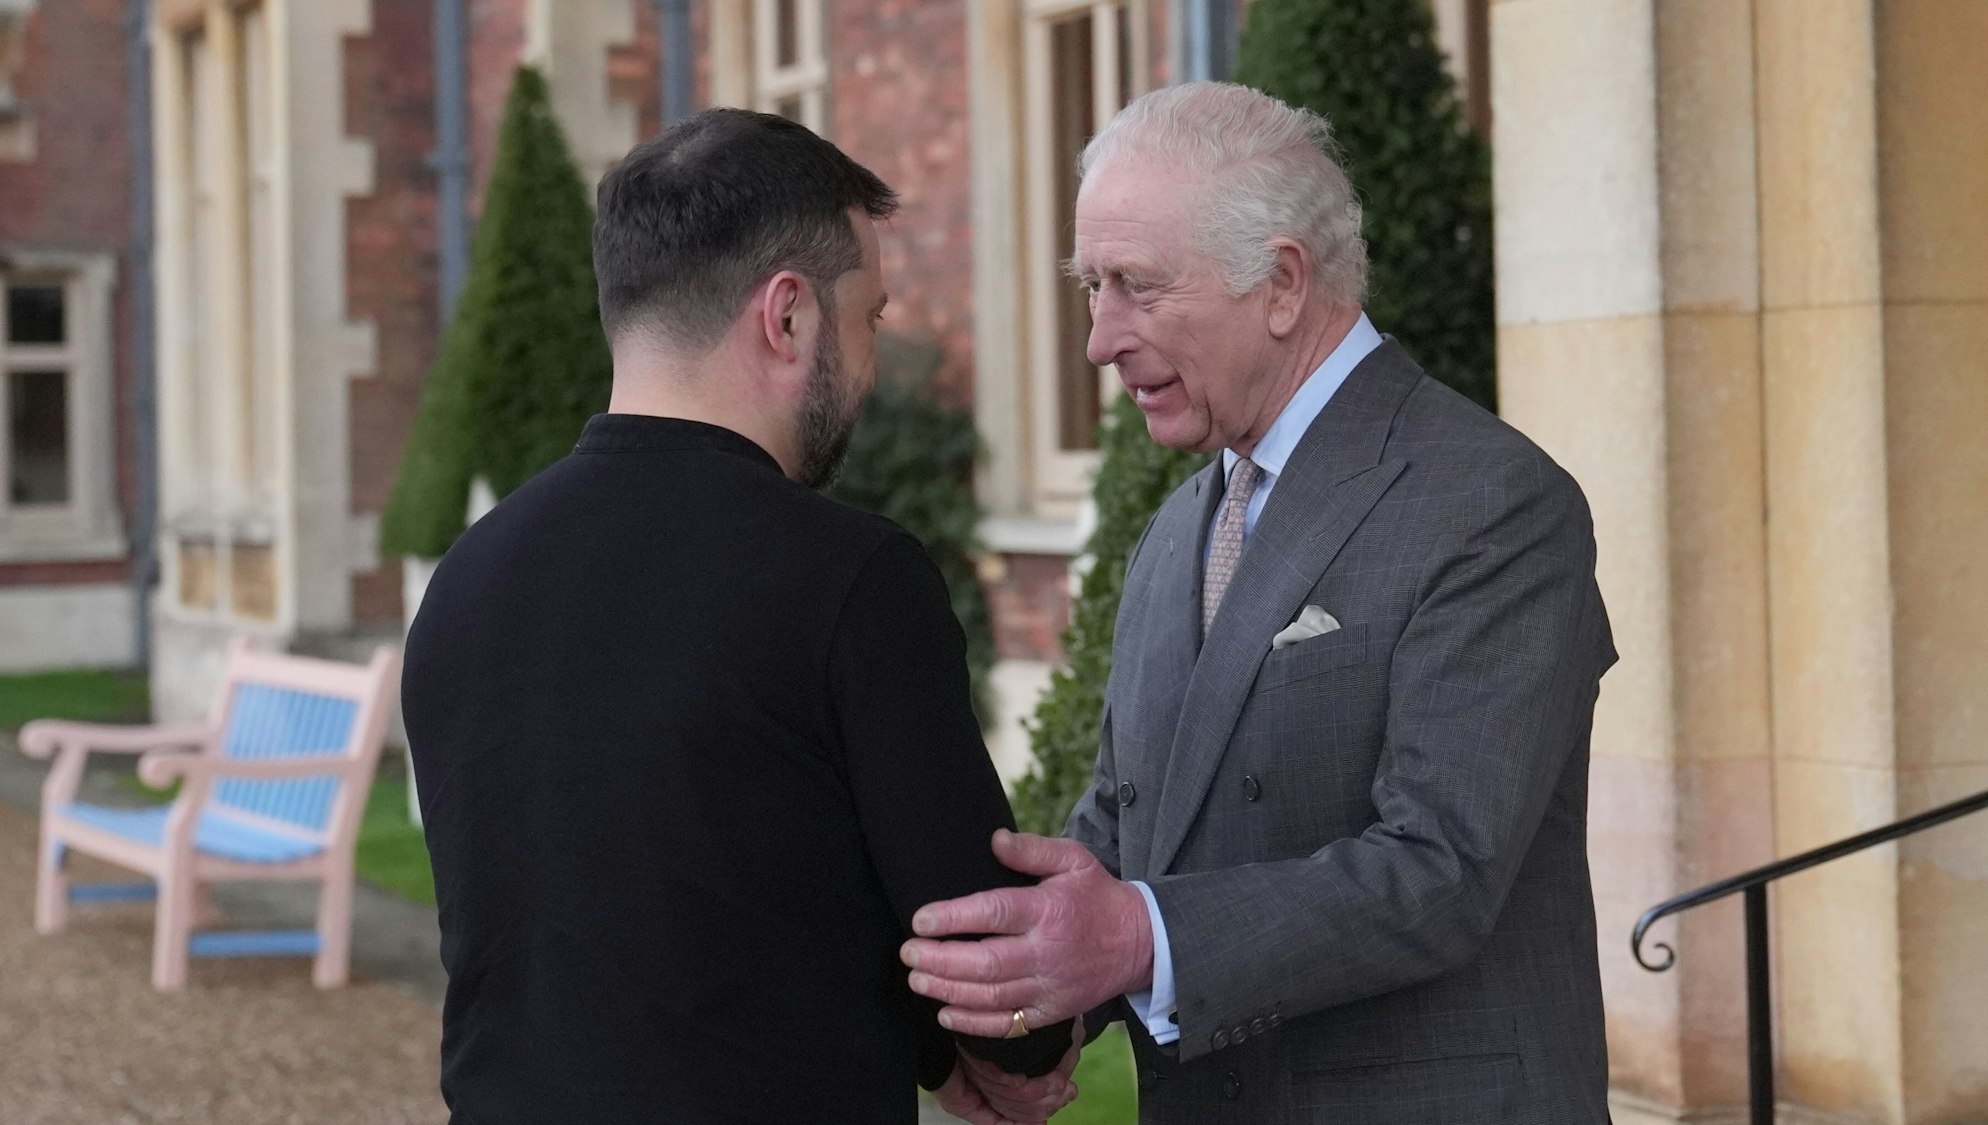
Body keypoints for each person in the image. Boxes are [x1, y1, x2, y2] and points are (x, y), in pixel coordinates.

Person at [900, 82, 1618, 1124]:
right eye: (1089, 286)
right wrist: (1021, 1006)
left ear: (1281, 283)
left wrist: (1133, 941)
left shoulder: (1490, 503)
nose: (1099, 339)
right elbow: (1128, 825)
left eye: (1136, 288)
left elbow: (1442, 867)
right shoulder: (1177, 526)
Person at [401, 108, 1075, 1125]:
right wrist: (1026, 1048)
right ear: (788, 315)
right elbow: (978, 946)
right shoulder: (851, 579)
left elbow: (635, 904)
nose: (866, 361)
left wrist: (923, 1050)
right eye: (869, 318)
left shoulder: (467, 576)